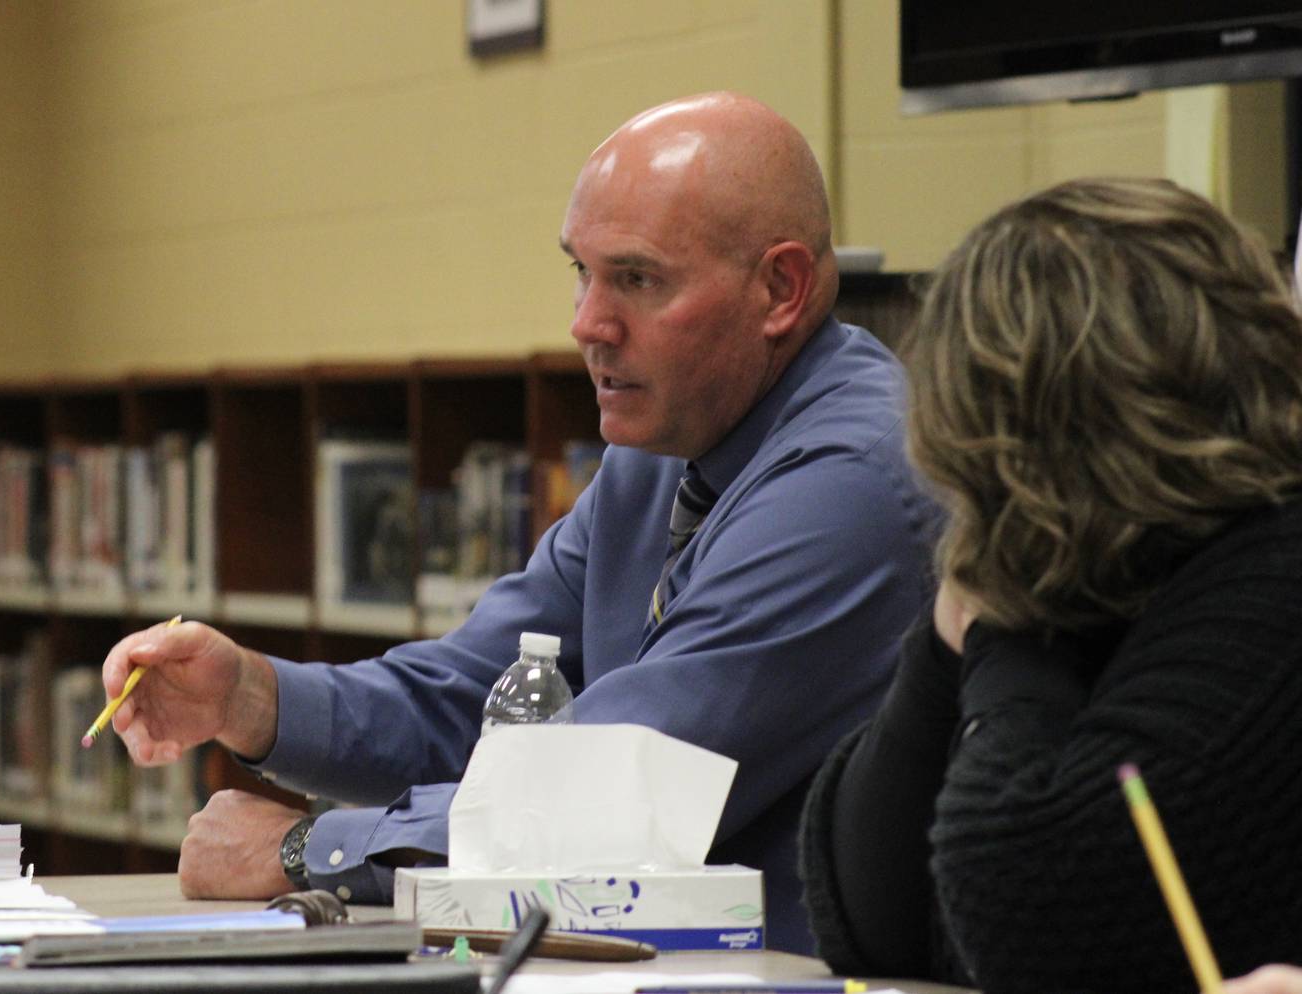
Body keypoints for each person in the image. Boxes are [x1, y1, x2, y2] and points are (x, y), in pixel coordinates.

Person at [101, 92, 936, 954]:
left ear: (781, 289)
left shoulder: (853, 486)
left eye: (638, 280)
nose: (588, 325)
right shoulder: (662, 446)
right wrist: (250, 697)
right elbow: (479, 698)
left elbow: (616, 791)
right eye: (582, 271)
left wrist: (308, 850)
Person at [800, 177, 1302, 991]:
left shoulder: (1270, 576)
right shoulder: (1132, 572)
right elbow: (870, 921)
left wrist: (1009, 619)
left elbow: (1029, 890)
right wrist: (958, 635)